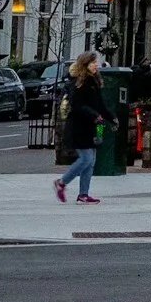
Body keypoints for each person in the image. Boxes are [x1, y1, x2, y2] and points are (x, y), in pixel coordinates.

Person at [54, 51, 108, 205]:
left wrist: (111, 118)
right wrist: (94, 114)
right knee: (86, 158)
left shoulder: (93, 81)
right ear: (85, 64)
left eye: (96, 62)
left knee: (90, 161)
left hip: (90, 125)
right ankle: (62, 182)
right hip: (78, 126)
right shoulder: (78, 82)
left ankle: (83, 194)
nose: (96, 65)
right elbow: (77, 105)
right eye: (93, 62)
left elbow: (100, 104)